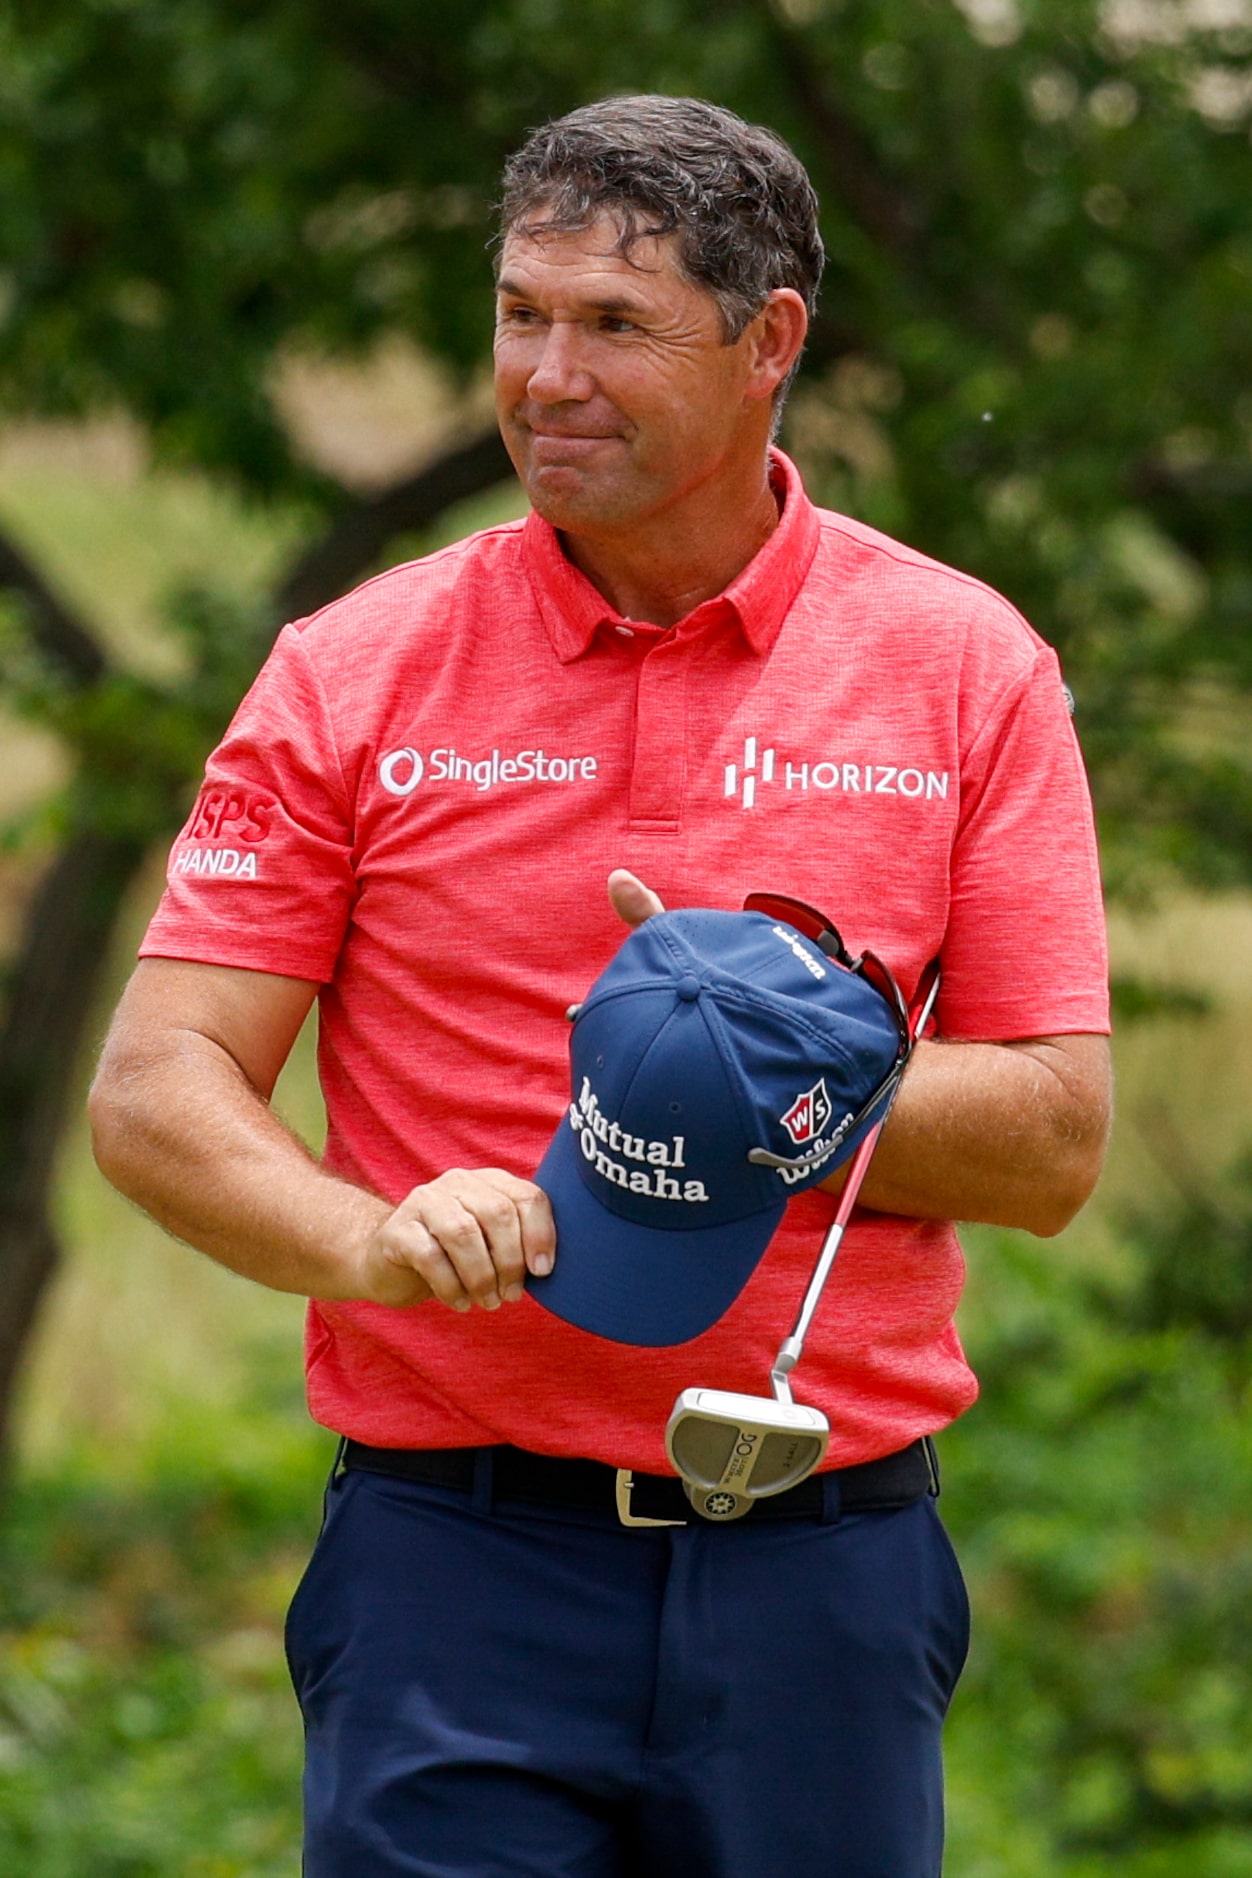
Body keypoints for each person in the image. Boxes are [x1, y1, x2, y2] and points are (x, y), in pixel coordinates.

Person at [89, 95, 1111, 1878]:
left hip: (825, 1563)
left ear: (769, 342)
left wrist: (785, 1070)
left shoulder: (964, 669)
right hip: (450, 1564)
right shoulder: (354, 667)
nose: (545, 375)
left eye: (615, 325)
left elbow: (1050, 1141)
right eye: (519, 313)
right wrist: (366, 1241)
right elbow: (157, 1082)